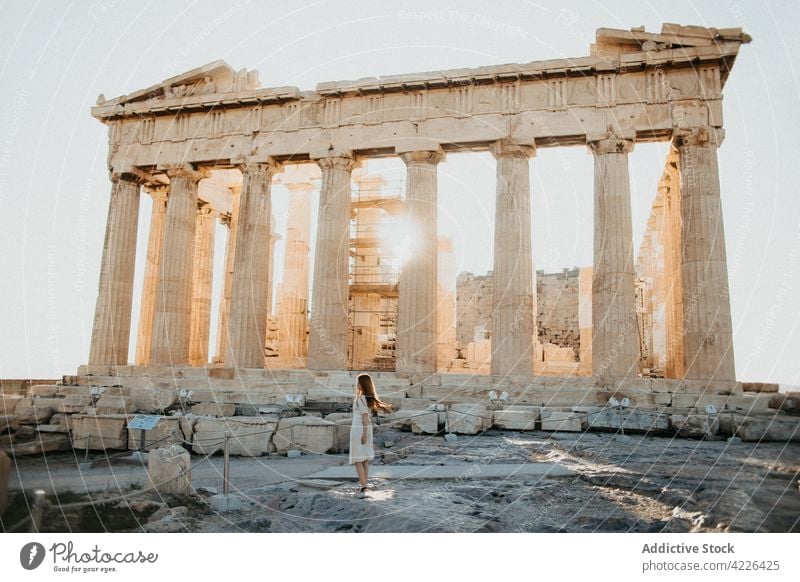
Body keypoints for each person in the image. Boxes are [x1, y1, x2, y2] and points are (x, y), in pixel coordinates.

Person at [349, 373, 392, 498]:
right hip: (364, 428)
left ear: (362, 384)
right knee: (364, 459)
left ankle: (363, 485)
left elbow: (364, 417)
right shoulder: (365, 398)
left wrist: (363, 434)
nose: (356, 384)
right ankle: (364, 484)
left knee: (358, 459)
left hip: (359, 428)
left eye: (358, 382)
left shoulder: (361, 398)